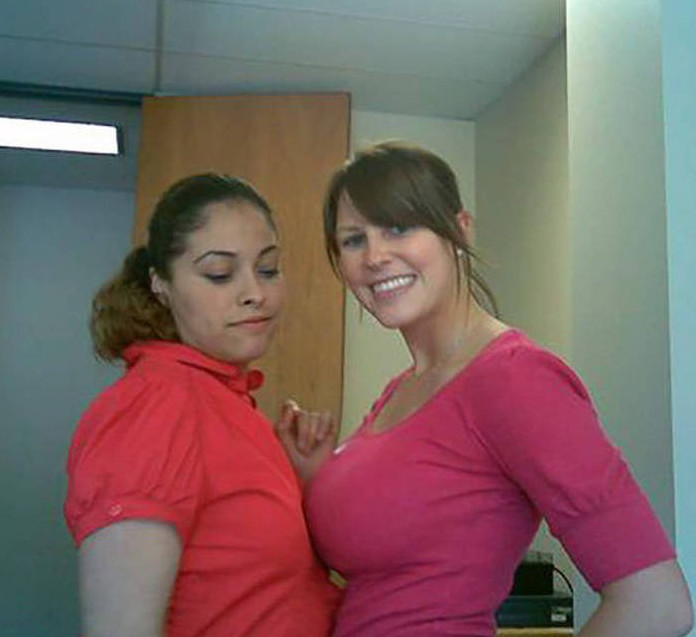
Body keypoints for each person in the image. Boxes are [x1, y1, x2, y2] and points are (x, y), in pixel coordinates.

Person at [275, 142, 694, 637]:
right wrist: (315, 475)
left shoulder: (515, 378)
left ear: (460, 229)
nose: (375, 256)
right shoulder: (399, 391)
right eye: (352, 240)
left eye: (399, 227)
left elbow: (657, 602)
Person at [64, 173, 339, 637]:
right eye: (219, 274)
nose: (255, 293)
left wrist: (307, 482)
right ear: (161, 284)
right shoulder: (156, 406)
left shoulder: (228, 403)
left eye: (268, 269)